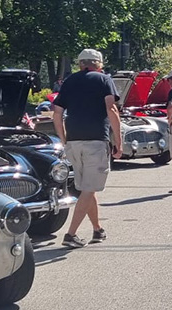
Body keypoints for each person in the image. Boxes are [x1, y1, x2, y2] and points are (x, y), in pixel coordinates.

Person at [51, 49, 123, 249]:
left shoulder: (69, 82)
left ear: (80, 64)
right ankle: (71, 234)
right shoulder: (104, 80)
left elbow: (57, 113)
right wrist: (119, 140)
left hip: (74, 142)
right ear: (98, 64)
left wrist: (64, 139)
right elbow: (112, 109)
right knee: (89, 188)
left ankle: (98, 229)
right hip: (95, 141)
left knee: (86, 189)